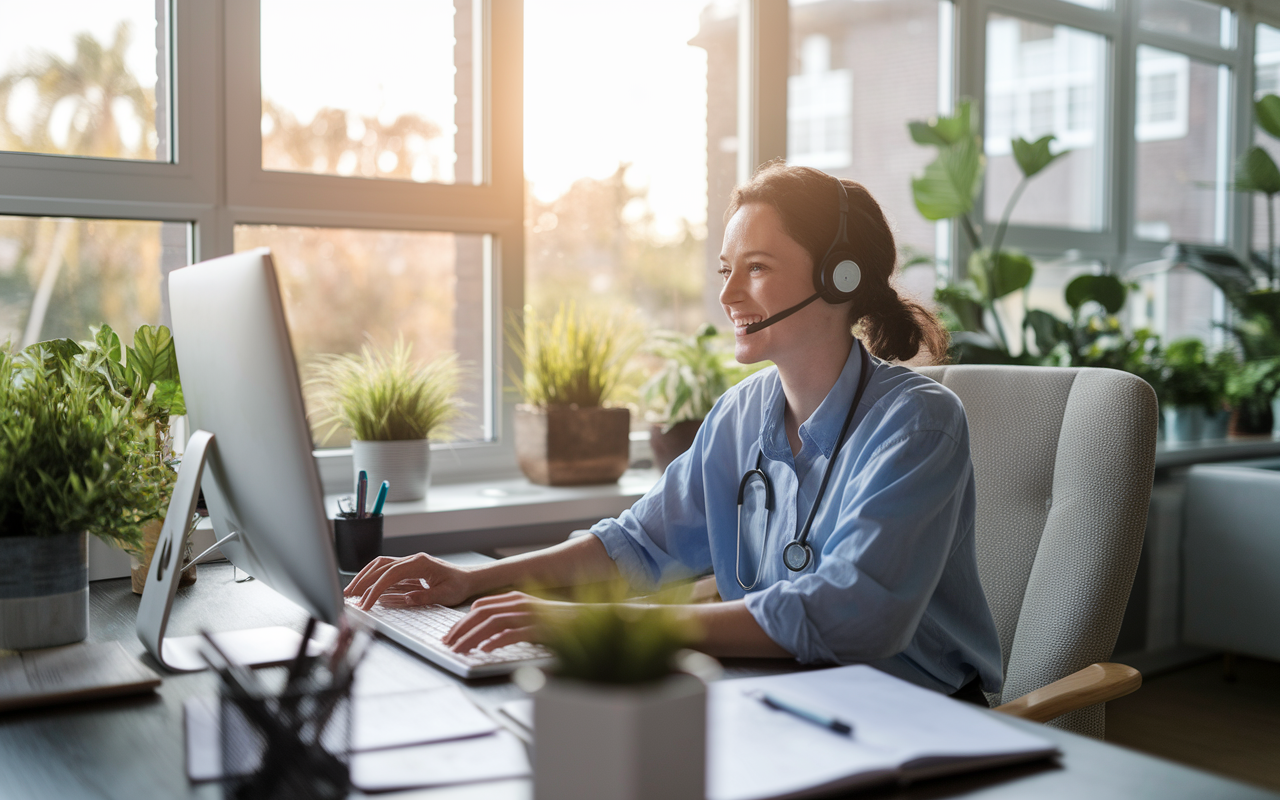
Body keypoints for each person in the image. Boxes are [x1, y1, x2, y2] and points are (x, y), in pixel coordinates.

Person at [345, 162, 1003, 701]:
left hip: (920, 716)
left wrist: (601, 623)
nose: (728, 296)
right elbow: (637, 546)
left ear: (840, 276)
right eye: (727, 269)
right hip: (790, 698)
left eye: (758, 268)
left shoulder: (917, 424)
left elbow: (850, 613)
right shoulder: (742, 415)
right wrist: (476, 581)